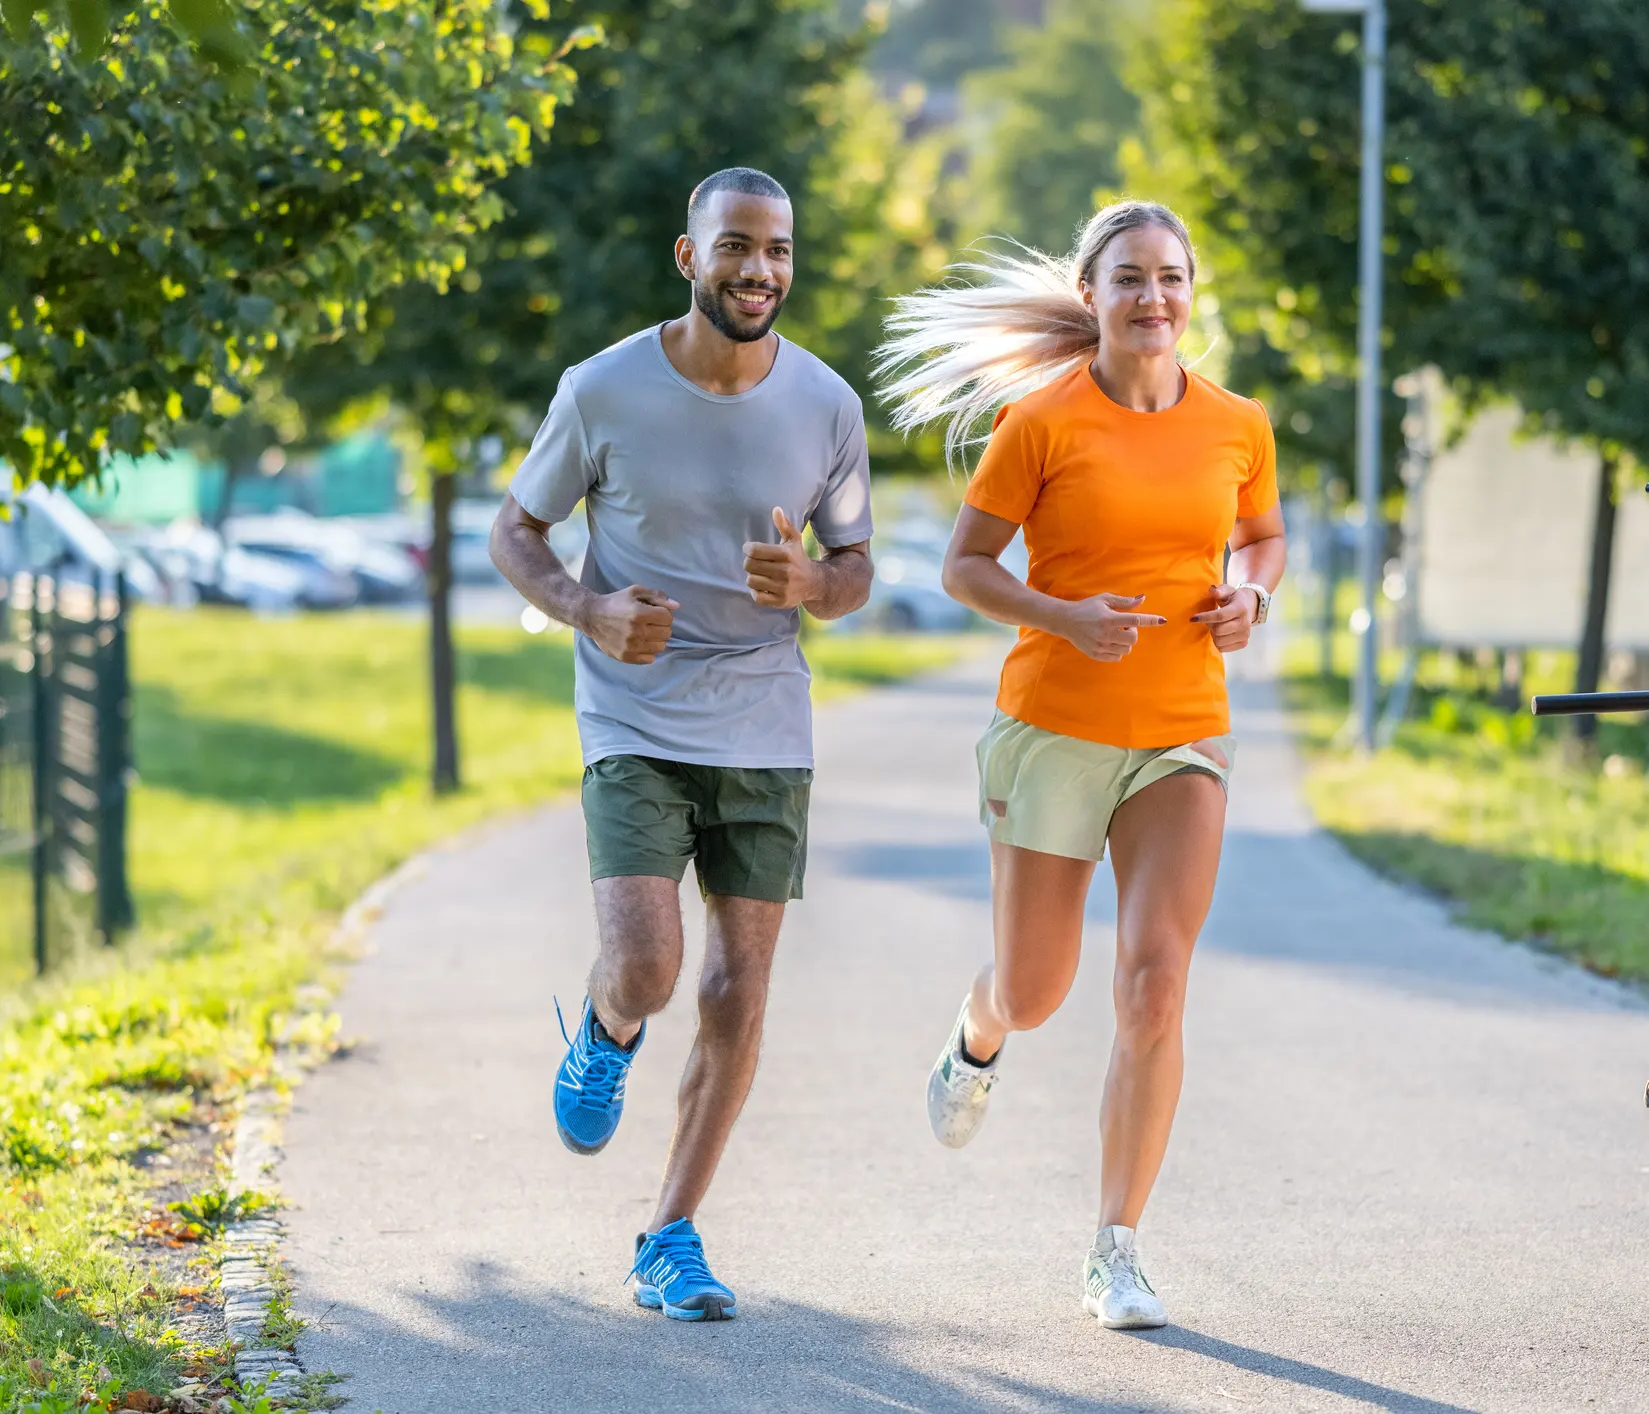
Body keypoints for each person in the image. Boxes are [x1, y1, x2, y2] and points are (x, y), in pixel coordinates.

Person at [874, 200, 1285, 1329]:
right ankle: (978, 1032)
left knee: (1155, 982)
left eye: (1172, 278)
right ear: (1091, 292)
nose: (1155, 297)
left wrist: (1253, 591)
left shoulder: (1238, 422)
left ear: (1191, 291)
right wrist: (1060, 613)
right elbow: (965, 565)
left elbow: (1261, 534)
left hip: (1183, 731)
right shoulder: (1041, 421)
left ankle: (1117, 1248)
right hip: (1054, 726)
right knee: (1038, 989)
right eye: (1130, 278)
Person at [489, 167, 874, 1322]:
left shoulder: (827, 405)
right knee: (652, 965)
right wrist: (585, 608)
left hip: (764, 715)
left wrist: (813, 579)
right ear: (688, 256)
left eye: (780, 251)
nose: (761, 270)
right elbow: (517, 527)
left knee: (737, 988)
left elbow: (856, 571)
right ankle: (608, 1029)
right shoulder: (603, 389)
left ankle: (669, 1234)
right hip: (635, 709)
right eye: (739, 247)